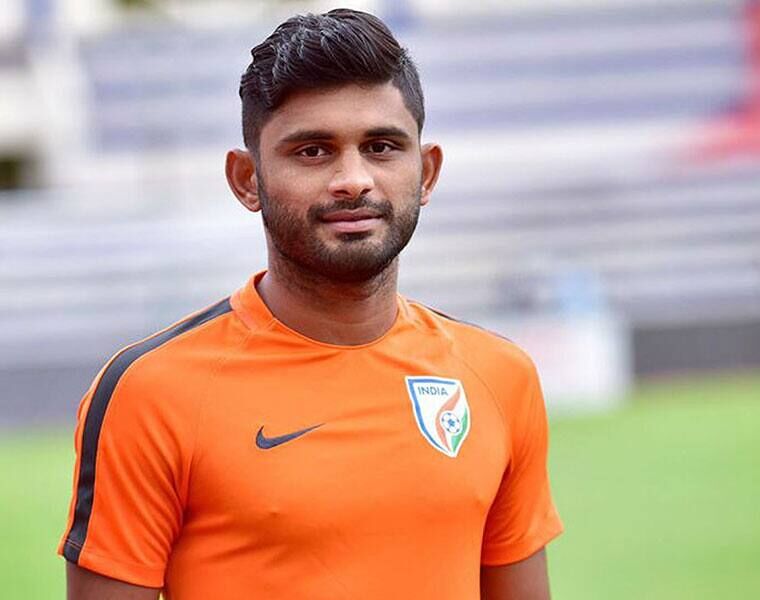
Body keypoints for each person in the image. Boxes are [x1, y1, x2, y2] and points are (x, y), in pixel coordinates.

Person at [59, 9, 563, 599]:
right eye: (313, 151)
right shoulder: (149, 394)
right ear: (247, 179)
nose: (354, 179)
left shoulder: (499, 377)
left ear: (426, 173)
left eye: (381, 147)